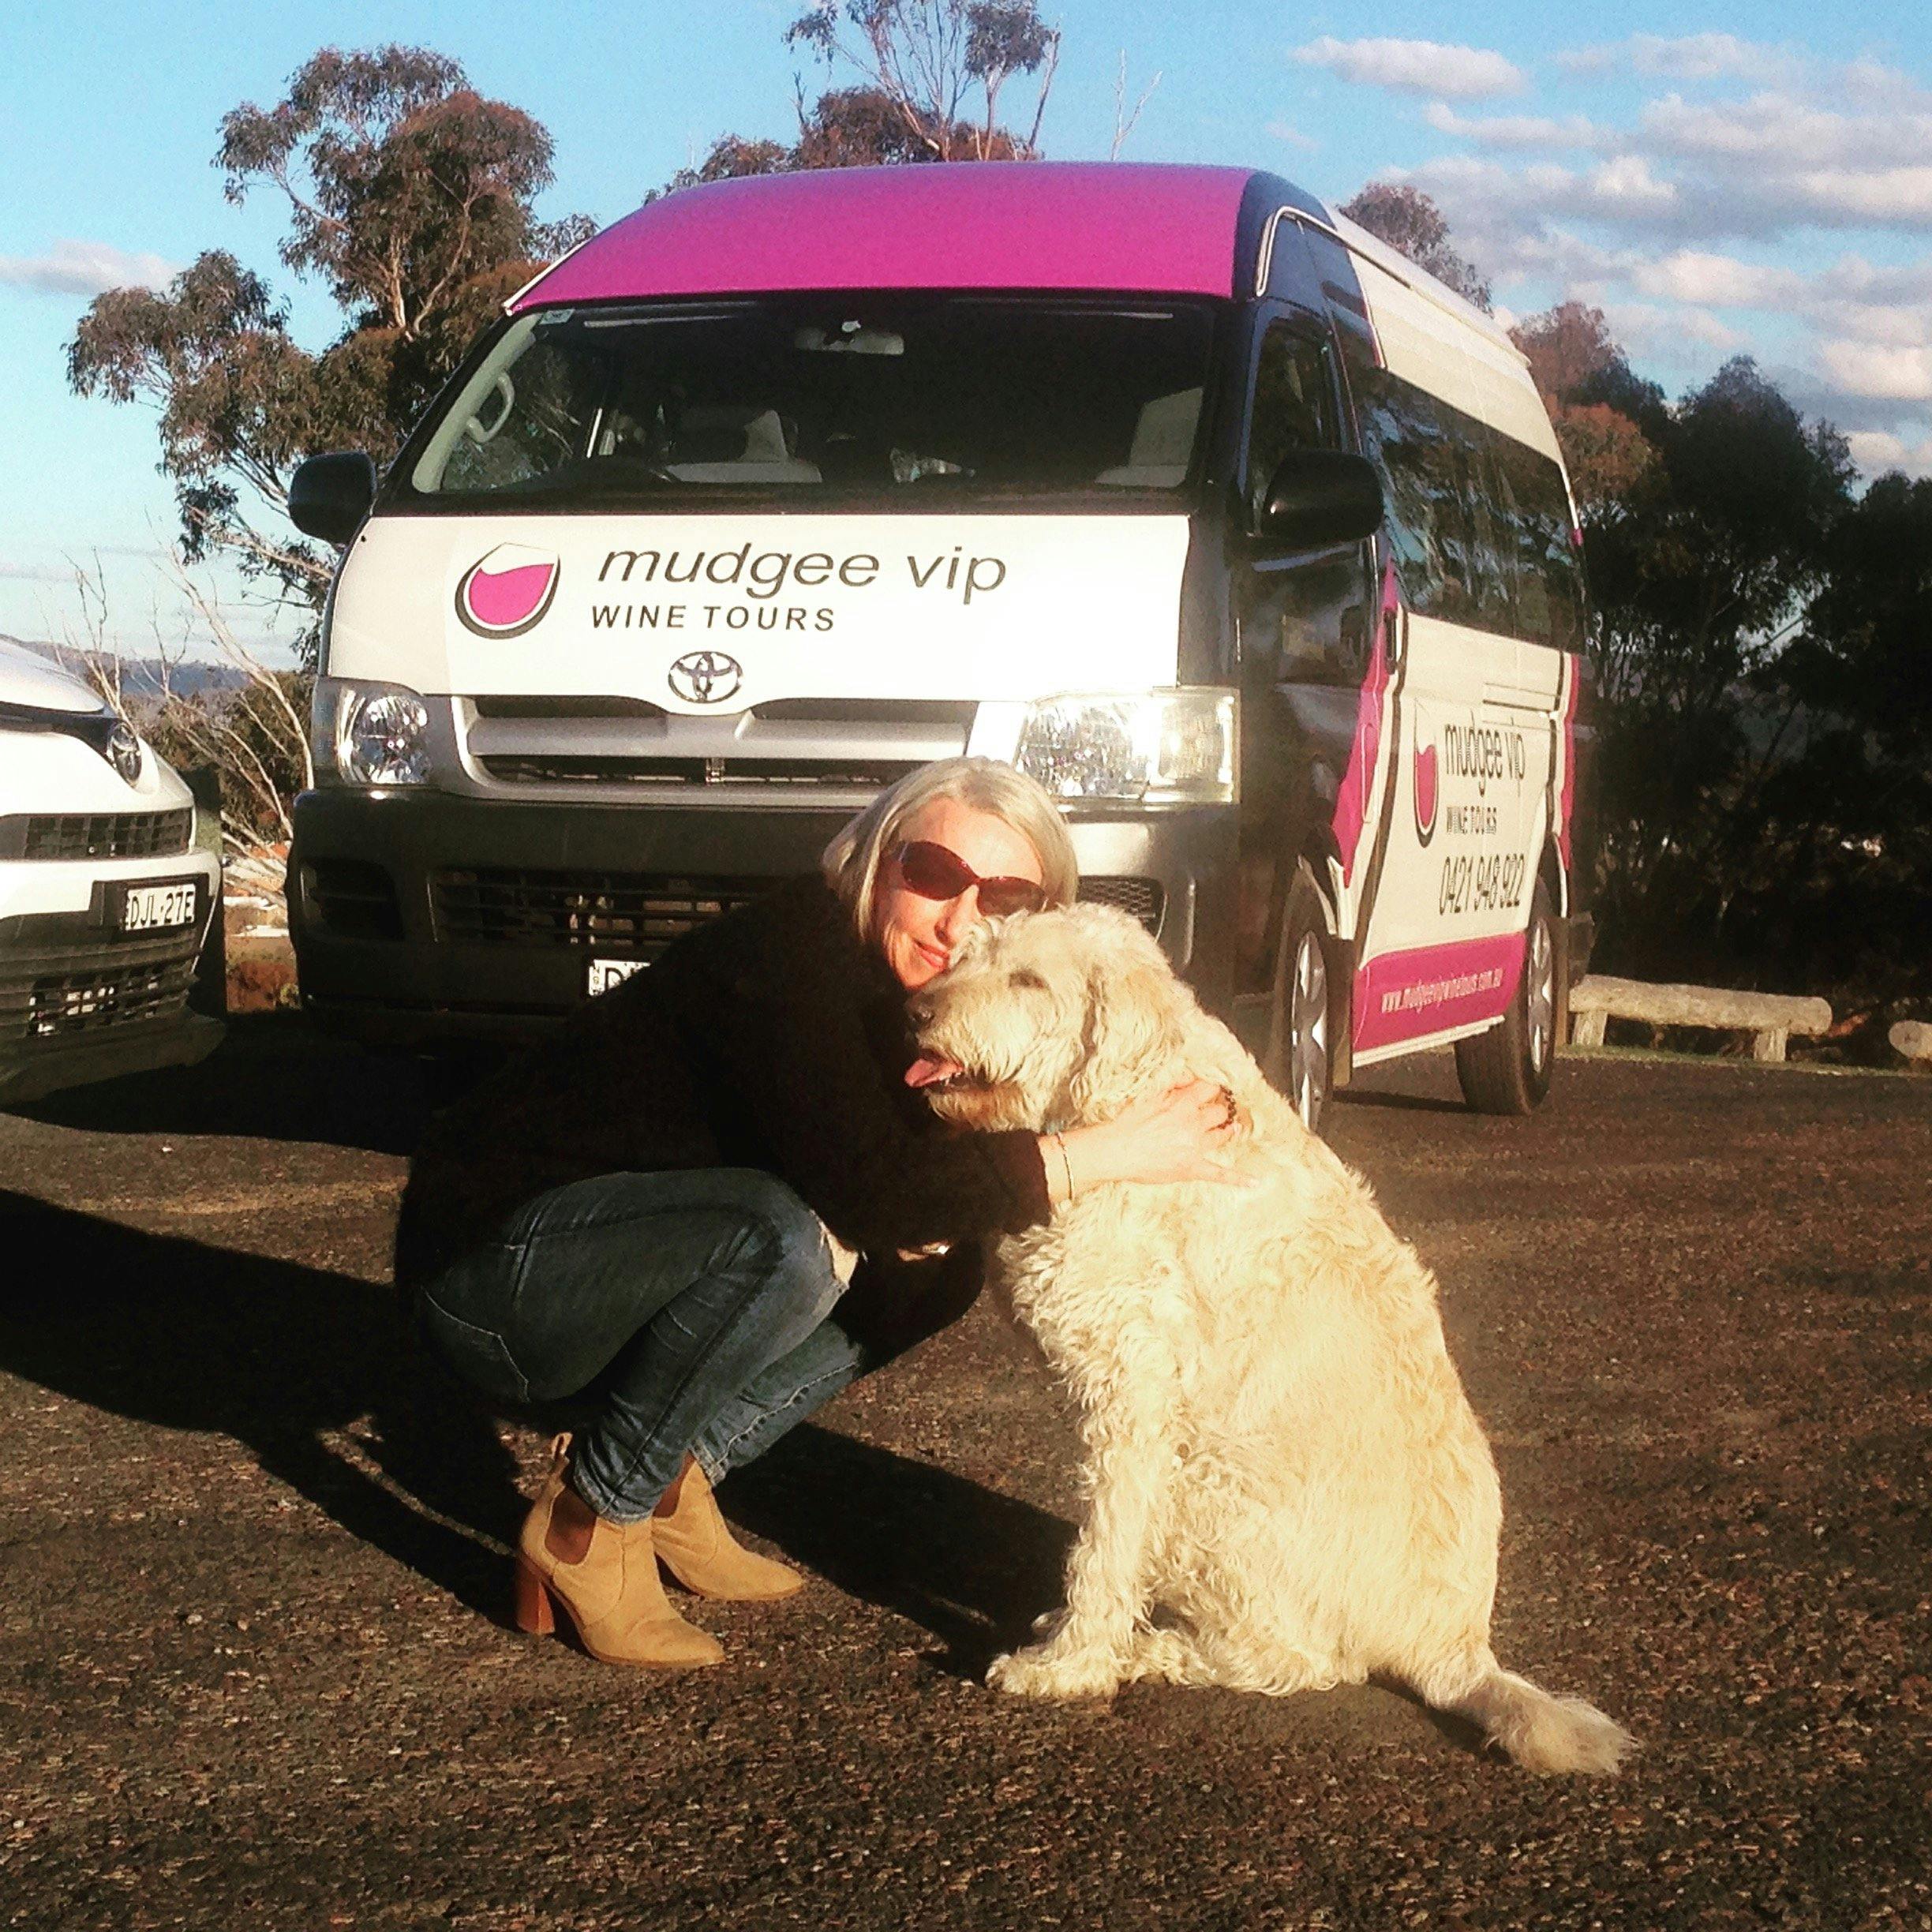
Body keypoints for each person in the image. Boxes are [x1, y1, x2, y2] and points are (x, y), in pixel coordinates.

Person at [394, 758, 1245, 1668]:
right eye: (934, 875)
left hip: (601, 1263)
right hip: (491, 1280)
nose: (963, 918)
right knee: (782, 1238)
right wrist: (1109, 1153)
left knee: (934, 1268)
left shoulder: (908, 998)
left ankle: (677, 1473)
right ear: (878, 861)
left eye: (1004, 897)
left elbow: (917, 1193)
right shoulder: (791, 959)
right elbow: (875, 1191)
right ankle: (589, 1521)